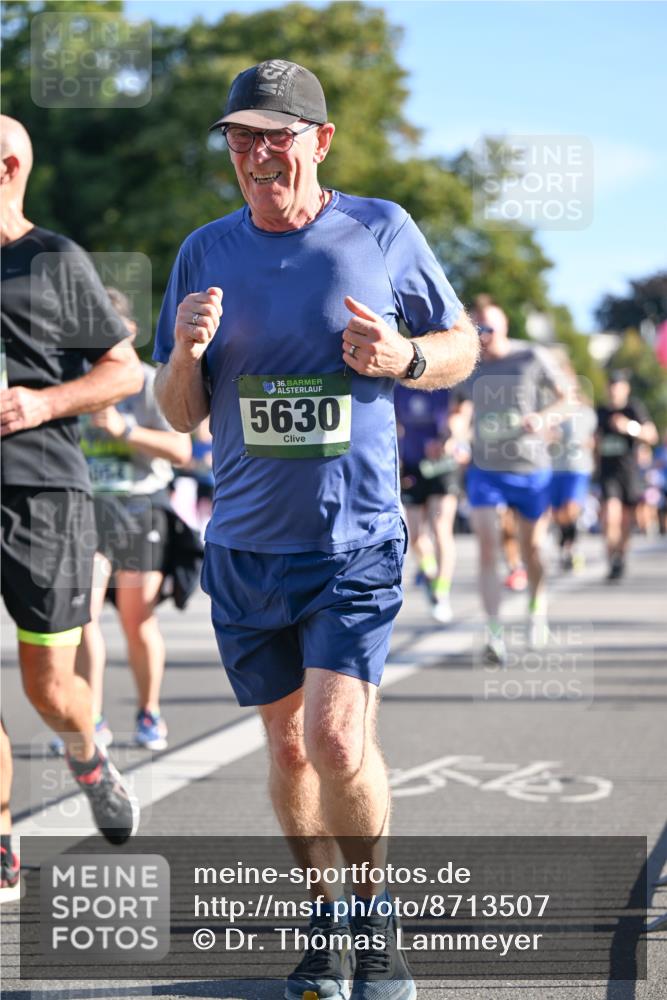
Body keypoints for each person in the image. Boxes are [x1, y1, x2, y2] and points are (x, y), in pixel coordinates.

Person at [152, 60, 478, 1000]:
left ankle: (375, 930)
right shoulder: (203, 252)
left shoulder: (379, 229)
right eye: (242, 138)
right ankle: (323, 925)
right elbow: (179, 414)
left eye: (277, 136)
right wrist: (183, 351)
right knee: (289, 749)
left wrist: (406, 354)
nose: (258, 155)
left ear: (319, 142)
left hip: (355, 542)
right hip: (247, 548)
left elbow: (456, 345)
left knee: (337, 741)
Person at [0, 116, 143, 874]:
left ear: (8, 166)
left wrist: (42, 403)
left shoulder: (53, 259)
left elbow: (124, 370)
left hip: (41, 490)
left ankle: (87, 756)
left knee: (48, 686)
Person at [48, 288, 192, 756]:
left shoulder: (147, 382)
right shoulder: (74, 383)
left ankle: (149, 711)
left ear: (128, 332)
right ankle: (89, 717)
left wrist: (125, 430)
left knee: (136, 619)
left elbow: (183, 451)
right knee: (82, 614)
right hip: (87, 509)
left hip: (140, 506)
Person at [450, 297, 567, 662]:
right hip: (486, 470)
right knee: (488, 548)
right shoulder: (471, 367)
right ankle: (494, 633)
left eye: (489, 329)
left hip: (531, 470)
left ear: (505, 328)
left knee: (532, 550)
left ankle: (537, 610)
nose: (483, 337)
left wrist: (543, 418)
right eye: (477, 330)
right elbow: (458, 409)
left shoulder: (531, 358)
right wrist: (456, 435)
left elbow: (567, 398)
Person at [394, 384, 467, 623]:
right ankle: (430, 573)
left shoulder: (447, 385)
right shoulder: (398, 387)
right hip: (414, 466)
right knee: (414, 536)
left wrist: (449, 438)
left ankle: (440, 592)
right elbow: (395, 426)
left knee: (440, 528)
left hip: (443, 465)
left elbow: (462, 414)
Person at [595, 370, 657, 581]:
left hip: (629, 473)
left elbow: (652, 435)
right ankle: (611, 557)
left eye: (618, 385)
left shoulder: (634, 409)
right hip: (608, 473)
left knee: (625, 523)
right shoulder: (601, 411)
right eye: (611, 385)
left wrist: (629, 427)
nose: (614, 390)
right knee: (610, 517)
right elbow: (594, 441)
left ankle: (620, 557)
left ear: (625, 389)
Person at [548, 363, 597, 572]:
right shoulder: (550, 410)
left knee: (571, 508)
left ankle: (572, 546)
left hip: (578, 467)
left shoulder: (585, 412)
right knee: (558, 513)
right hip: (555, 467)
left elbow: (594, 439)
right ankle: (565, 545)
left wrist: (589, 444)